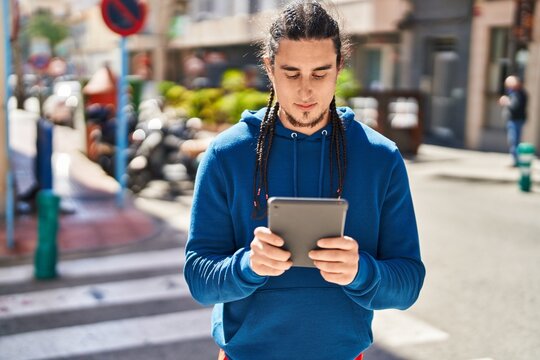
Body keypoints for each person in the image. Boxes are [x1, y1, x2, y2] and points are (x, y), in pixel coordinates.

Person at [184, 2, 425, 359]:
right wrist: (248, 265)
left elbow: (408, 284)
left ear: (339, 68)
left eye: (320, 73)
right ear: (269, 69)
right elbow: (200, 280)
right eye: (292, 73)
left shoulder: (380, 157)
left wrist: (362, 272)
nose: (306, 91)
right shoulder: (227, 154)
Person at [499, 75, 528, 166]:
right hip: (516, 120)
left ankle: (515, 160)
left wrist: (506, 101)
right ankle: (516, 160)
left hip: (516, 120)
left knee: (514, 140)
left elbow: (515, 107)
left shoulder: (518, 94)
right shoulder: (517, 93)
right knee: (514, 140)